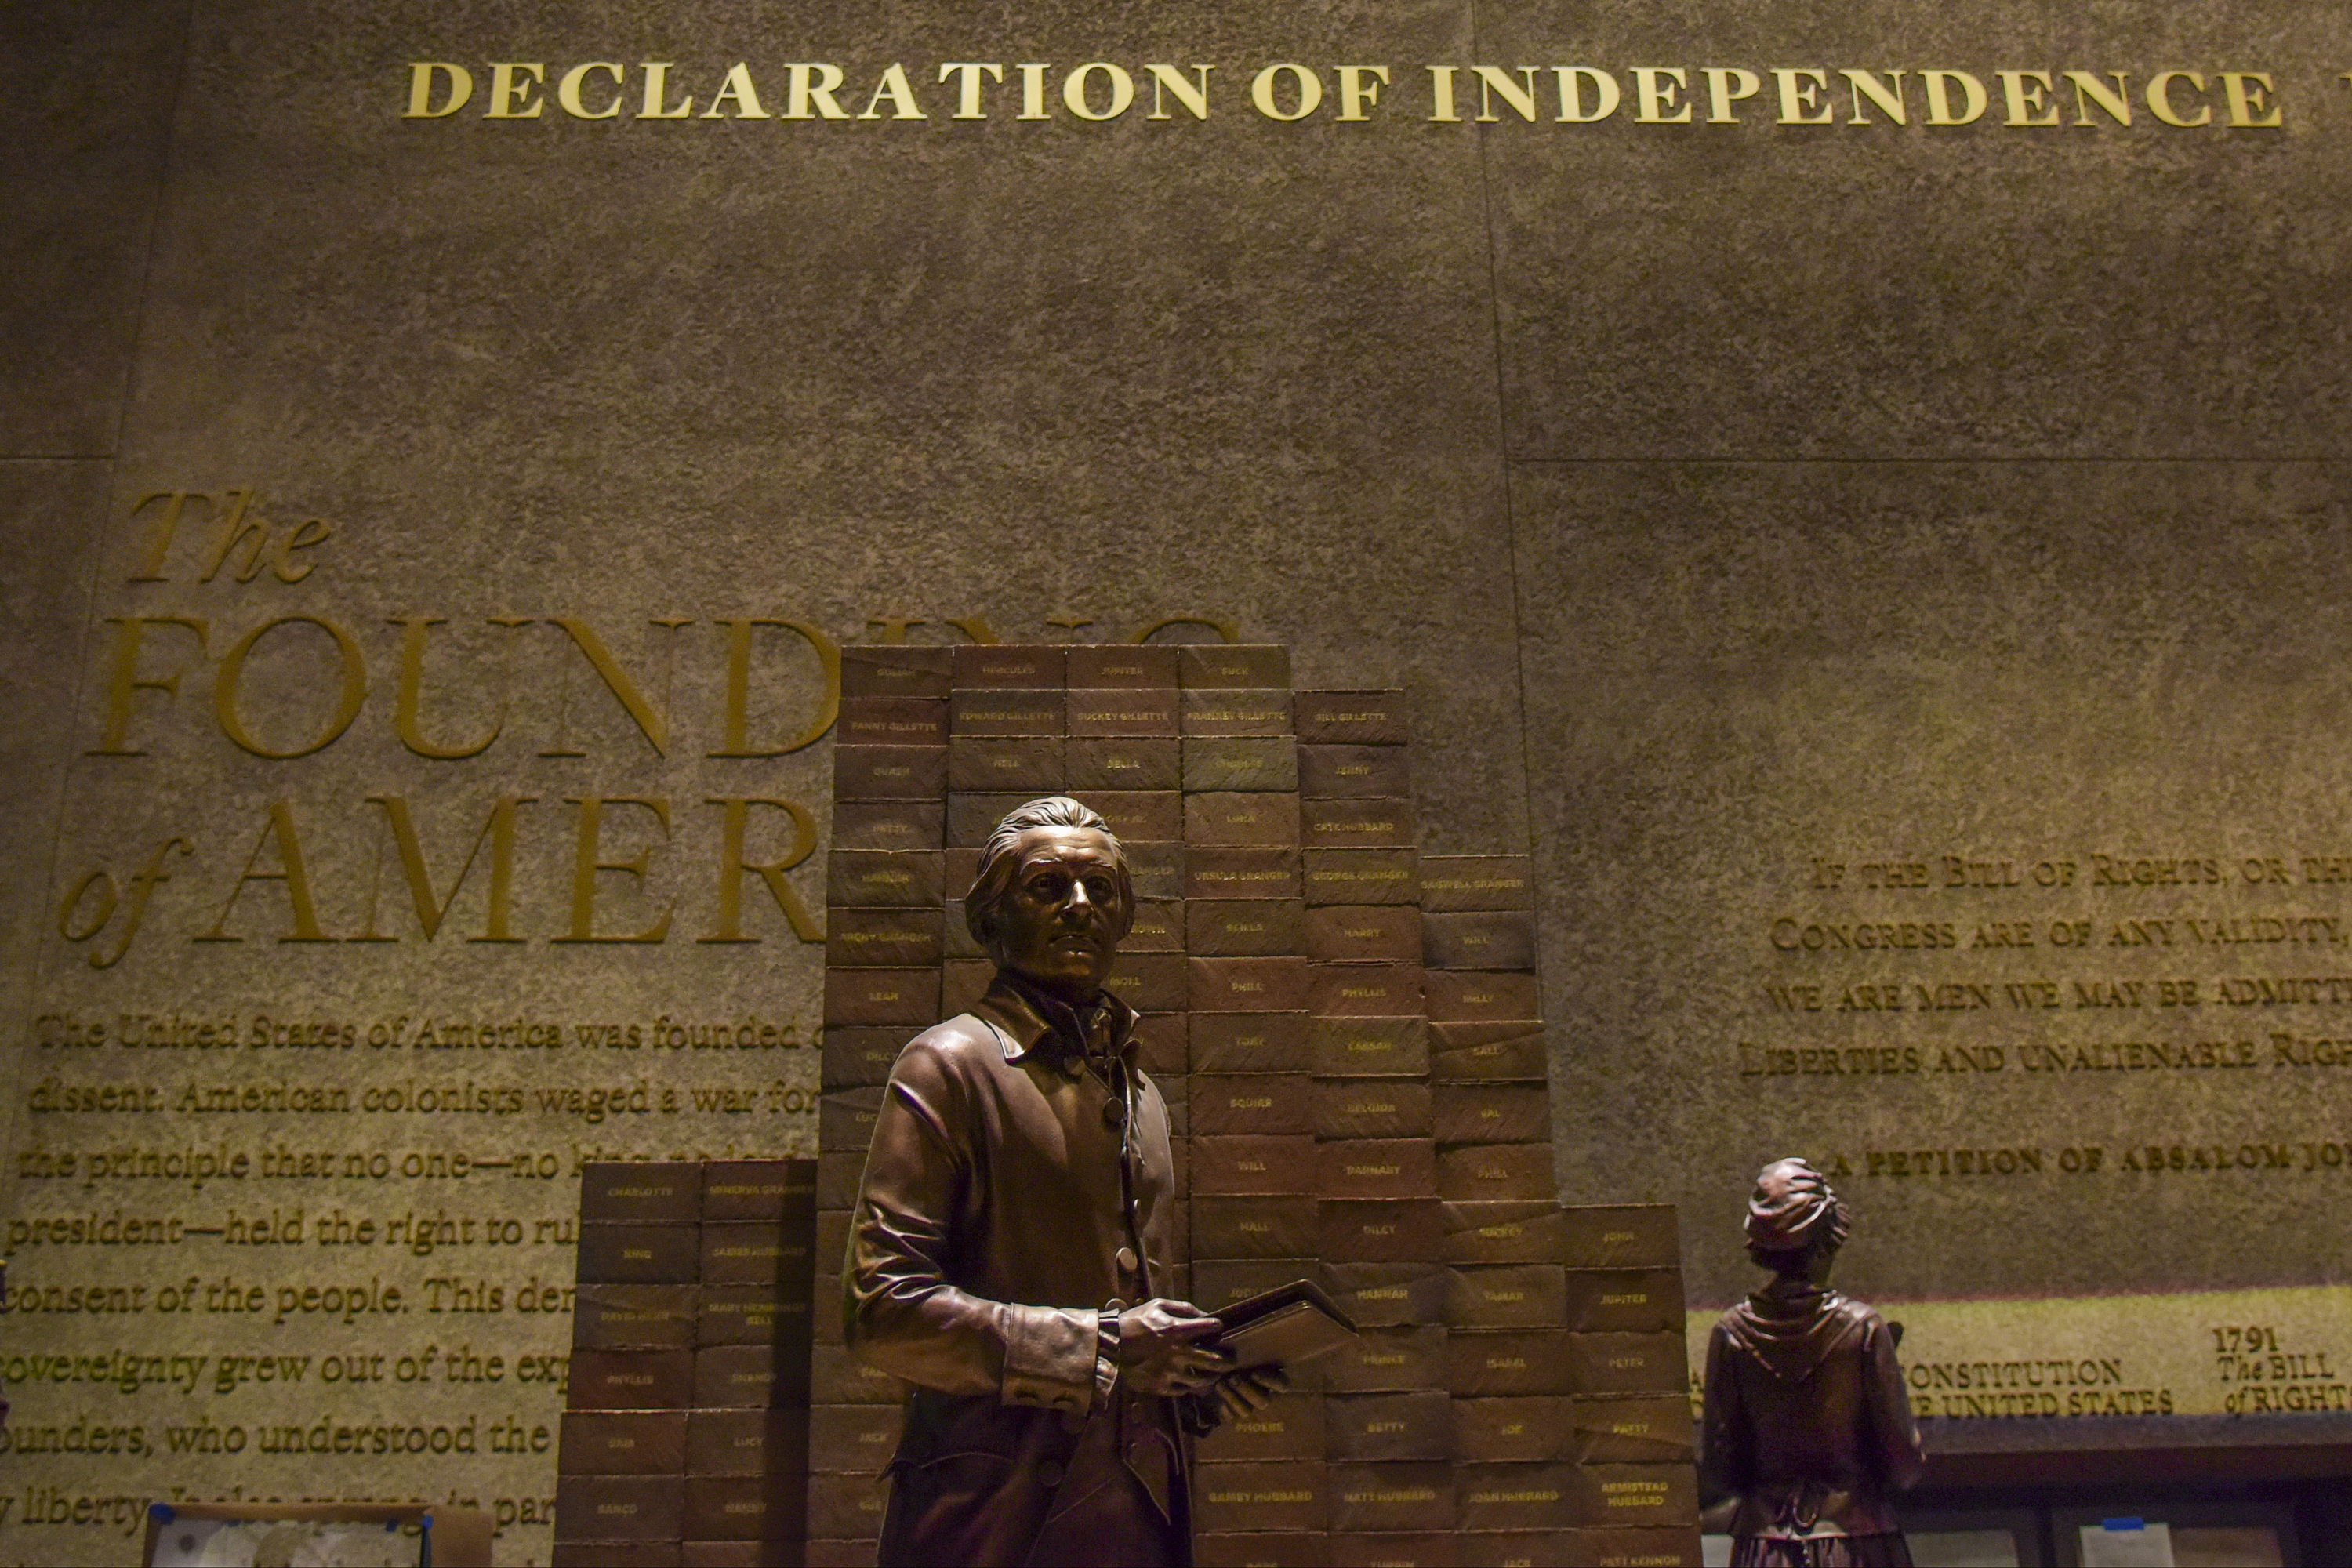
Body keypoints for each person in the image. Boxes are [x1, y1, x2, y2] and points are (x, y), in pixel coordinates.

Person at [846, 796, 1281, 1567]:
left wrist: (1189, 1376)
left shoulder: (1143, 1094)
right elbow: (882, 1309)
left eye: (1101, 889)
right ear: (992, 916)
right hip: (995, 1522)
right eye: (1048, 886)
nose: (1081, 907)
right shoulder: (948, 1065)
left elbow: (1127, 1307)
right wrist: (1103, 1345)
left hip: (1134, 1518)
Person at [1700, 1158, 1926, 1568]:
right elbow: (1904, 1468)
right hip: (1857, 1544)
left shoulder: (1730, 1333)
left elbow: (1720, 1473)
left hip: (1765, 1549)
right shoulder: (1862, 1328)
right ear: (1827, 1235)